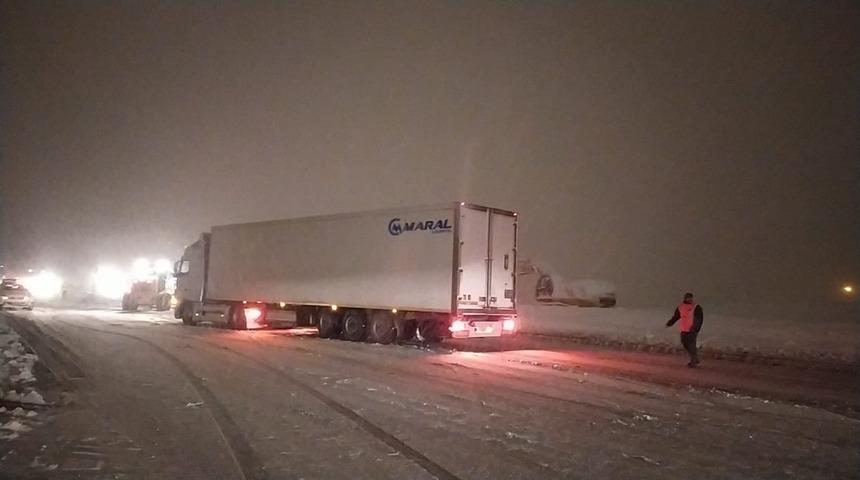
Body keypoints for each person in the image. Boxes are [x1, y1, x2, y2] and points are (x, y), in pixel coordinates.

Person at [666, 292, 704, 367]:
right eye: (688, 298)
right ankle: (695, 358)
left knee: (692, 345)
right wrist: (670, 323)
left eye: (691, 298)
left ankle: (693, 361)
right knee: (685, 343)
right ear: (685, 298)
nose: (690, 299)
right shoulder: (680, 307)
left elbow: (699, 319)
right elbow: (676, 316)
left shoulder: (696, 307)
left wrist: (697, 327)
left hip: (692, 329)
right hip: (683, 329)